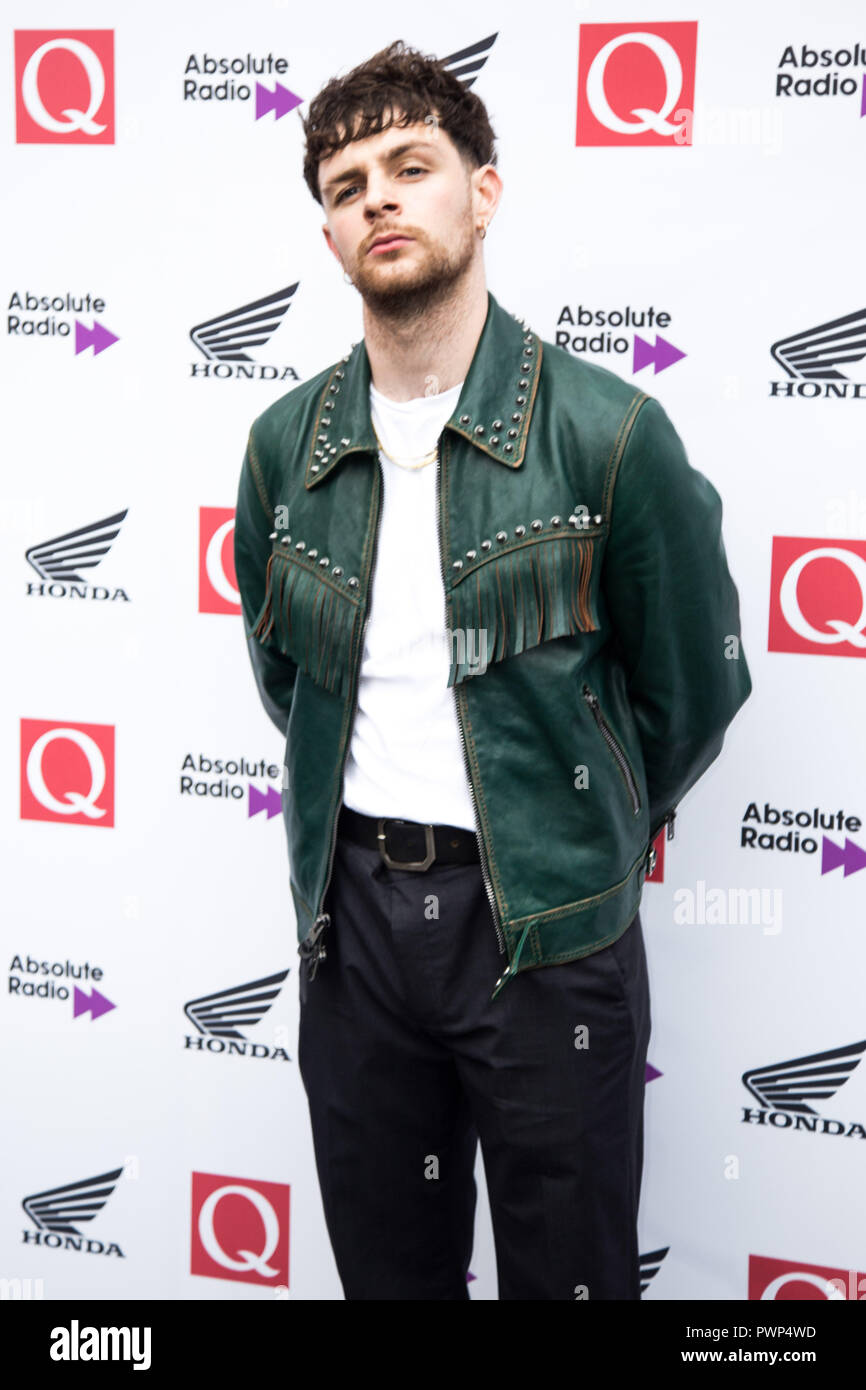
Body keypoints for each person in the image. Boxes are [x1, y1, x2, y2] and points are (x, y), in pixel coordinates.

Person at [234, 40, 751, 1300]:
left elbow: (689, 687)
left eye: (412, 166)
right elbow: (281, 671)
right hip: (351, 929)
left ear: (484, 191)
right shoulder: (282, 446)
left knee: (568, 1277)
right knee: (389, 1274)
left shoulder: (605, 431)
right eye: (349, 184)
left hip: (542, 936)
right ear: (330, 234)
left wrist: (580, 827)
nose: (380, 200)